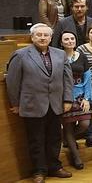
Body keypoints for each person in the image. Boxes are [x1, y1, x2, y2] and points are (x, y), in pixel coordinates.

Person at [6, 23, 74, 182]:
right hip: (32, 104)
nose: (42, 38)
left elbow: (67, 79)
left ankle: (55, 167)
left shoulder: (60, 54)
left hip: (55, 104)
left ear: (51, 38)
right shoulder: (20, 55)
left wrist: (68, 99)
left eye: (46, 35)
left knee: (55, 138)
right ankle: (39, 171)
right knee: (36, 139)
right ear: (32, 37)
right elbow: (13, 81)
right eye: (39, 35)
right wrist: (15, 103)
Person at [58, 31, 92, 170]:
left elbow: (88, 78)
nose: (70, 41)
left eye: (72, 38)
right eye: (66, 39)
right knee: (68, 126)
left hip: (80, 95)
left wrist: (87, 98)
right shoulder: (58, 57)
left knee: (84, 124)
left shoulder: (82, 56)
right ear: (61, 42)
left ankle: (67, 138)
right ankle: (76, 157)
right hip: (64, 96)